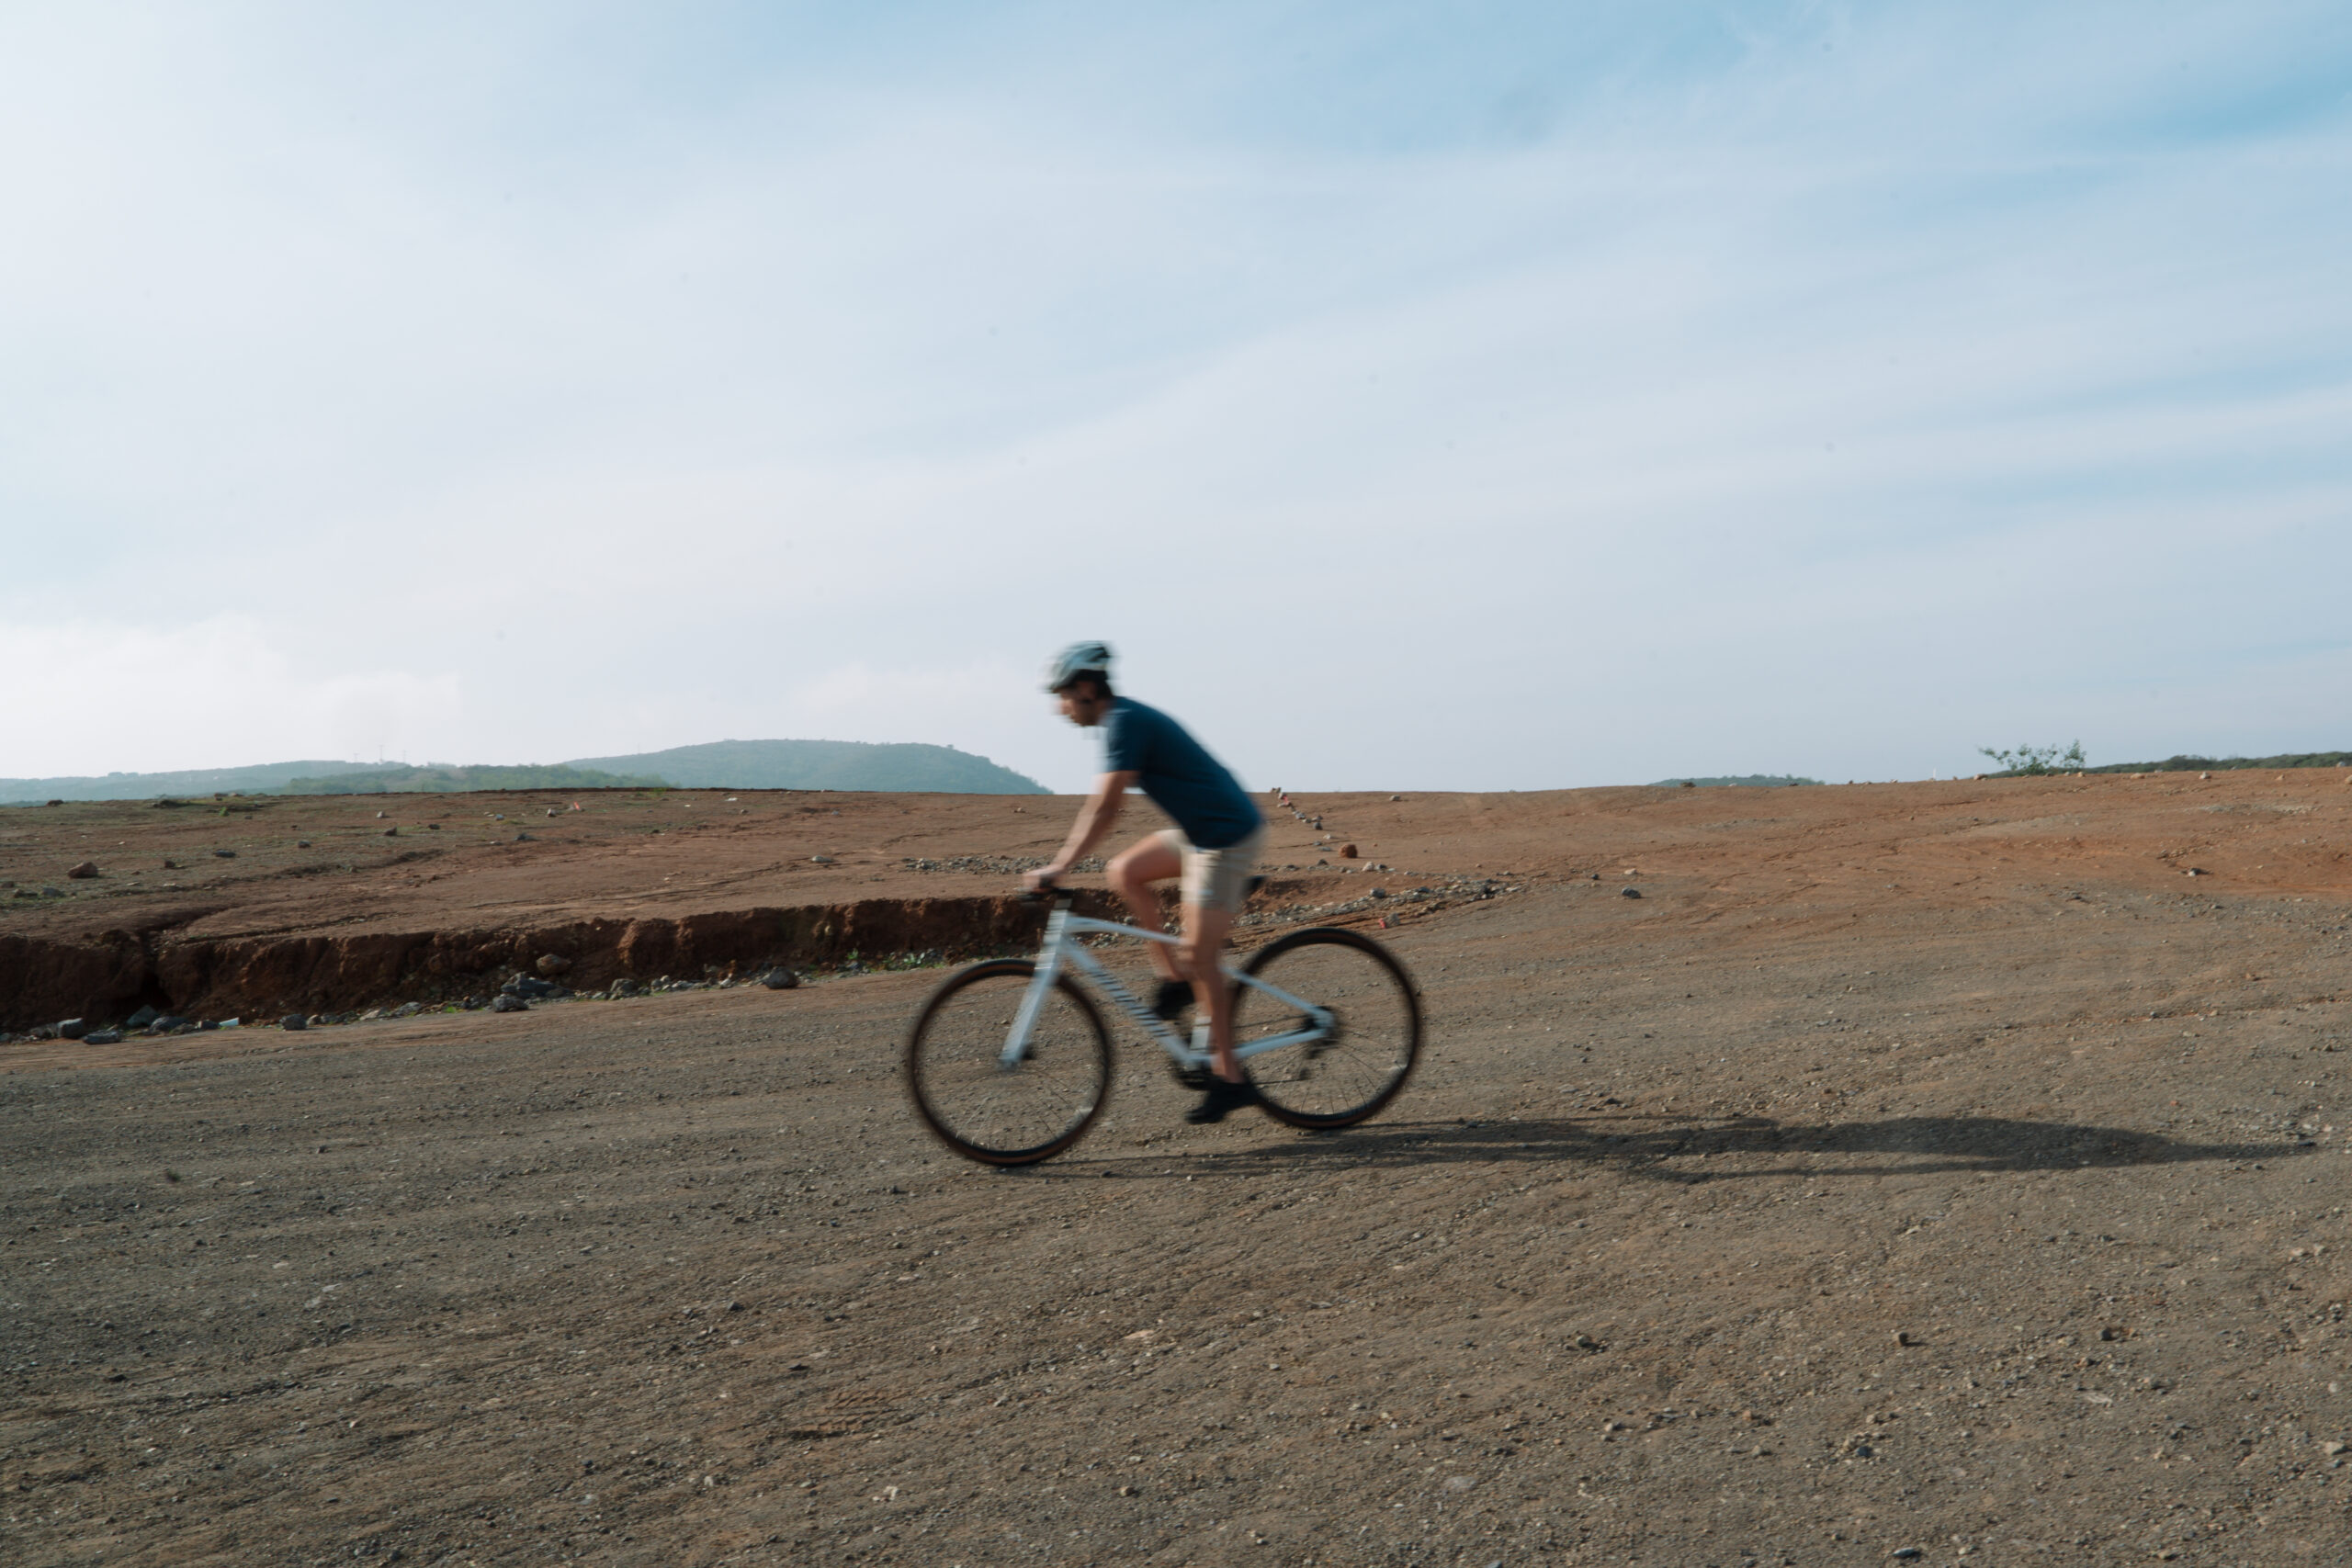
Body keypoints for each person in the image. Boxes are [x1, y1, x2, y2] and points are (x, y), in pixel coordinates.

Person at [1023, 642, 1268, 1122]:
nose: (1060, 708)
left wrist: (1058, 867)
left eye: (1063, 696)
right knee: (1124, 871)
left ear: (1086, 688)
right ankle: (1175, 981)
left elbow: (1106, 807)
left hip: (1227, 836)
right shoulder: (1121, 721)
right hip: (1199, 834)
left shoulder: (1125, 723)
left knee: (1200, 956)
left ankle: (1232, 1080)